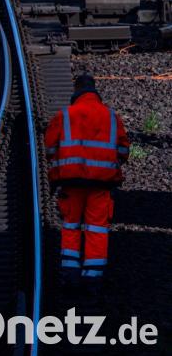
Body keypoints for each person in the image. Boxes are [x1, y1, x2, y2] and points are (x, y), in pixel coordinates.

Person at [44, 74, 130, 293]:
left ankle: (70, 272)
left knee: (71, 225)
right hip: (101, 184)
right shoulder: (112, 117)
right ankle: (93, 276)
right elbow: (123, 151)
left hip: (71, 183)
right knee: (97, 228)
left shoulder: (64, 116)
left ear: (76, 92)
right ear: (95, 92)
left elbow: (50, 149)